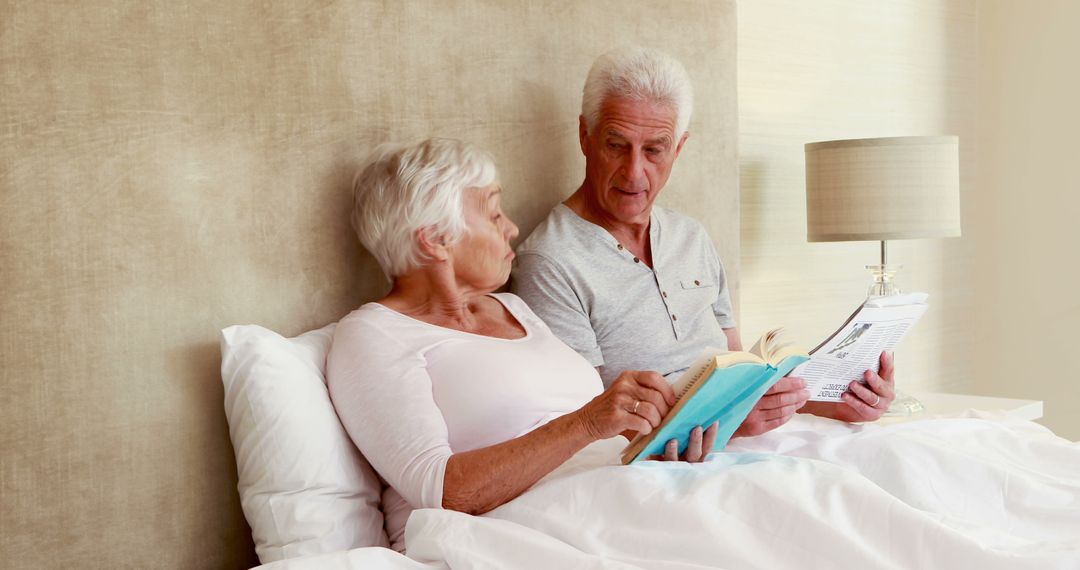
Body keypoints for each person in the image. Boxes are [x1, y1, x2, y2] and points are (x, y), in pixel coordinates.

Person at [327, 138, 719, 552]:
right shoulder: (373, 335)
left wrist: (651, 446)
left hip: (612, 498)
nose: (511, 227)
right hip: (517, 532)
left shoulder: (513, 307)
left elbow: (585, 433)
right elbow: (443, 491)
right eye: (494, 214)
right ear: (434, 241)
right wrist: (588, 423)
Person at [512, 46, 896, 429]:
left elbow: (739, 367)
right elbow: (584, 423)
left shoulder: (690, 236)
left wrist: (837, 402)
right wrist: (727, 421)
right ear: (585, 136)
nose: (634, 172)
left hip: (736, 441)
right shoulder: (549, 262)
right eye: (616, 146)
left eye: (654, 150)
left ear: (678, 149)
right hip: (652, 464)